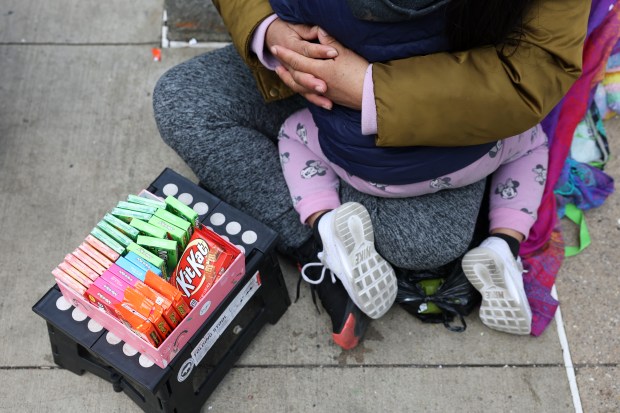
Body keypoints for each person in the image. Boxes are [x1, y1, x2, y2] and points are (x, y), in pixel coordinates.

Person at [153, 0, 589, 349]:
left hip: (427, 103)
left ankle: (321, 230)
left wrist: (370, 90)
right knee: (183, 101)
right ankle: (322, 249)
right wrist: (268, 31)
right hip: (321, 73)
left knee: (420, 241)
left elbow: (536, 68)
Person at [270, 0, 551, 335]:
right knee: (531, 140)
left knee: (293, 133)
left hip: (367, 167)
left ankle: (325, 222)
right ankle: (505, 242)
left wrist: (273, 33)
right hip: (469, 155)